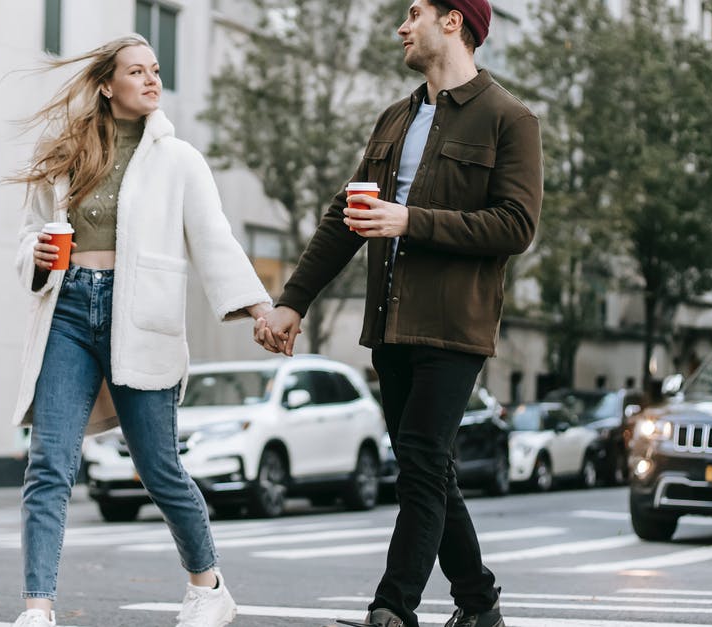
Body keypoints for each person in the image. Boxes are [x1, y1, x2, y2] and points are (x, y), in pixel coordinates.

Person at [255, 1, 543, 626]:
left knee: (418, 462)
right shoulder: (396, 118)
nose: (401, 26)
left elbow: (516, 225)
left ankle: (392, 610)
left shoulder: (509, 119)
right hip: (387, 326)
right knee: (429, 468)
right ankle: (478, 603)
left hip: (453, 328)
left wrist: (412, 219)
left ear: (454, 22)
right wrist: (291, 302)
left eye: (414, 12)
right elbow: (345, 216)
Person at [6, 35, 273, 627]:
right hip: (67, 312)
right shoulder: (63, 152)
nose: (153, 80)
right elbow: (27, 236)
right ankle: (38, 607)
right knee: (49, 463)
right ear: (107, 85)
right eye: (137, 72)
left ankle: (208, 588)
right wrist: (41, 256)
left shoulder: (179, 160)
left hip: (140, 318)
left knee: (159, 469)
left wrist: (258, 309)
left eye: (155, 70)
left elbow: (214, 240)